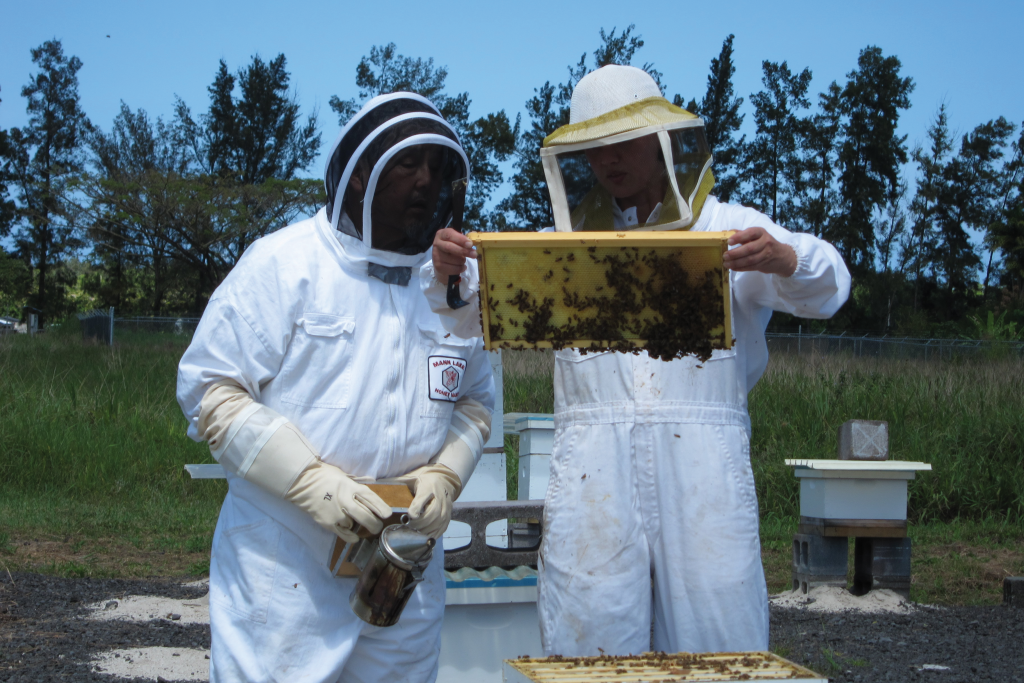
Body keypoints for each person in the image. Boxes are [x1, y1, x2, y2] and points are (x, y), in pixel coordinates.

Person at [423, 65, 850, 656]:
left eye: (622, 144)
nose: (608, 162)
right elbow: (466, 312)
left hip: (704, 465)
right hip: (592, 464)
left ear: (660, 143)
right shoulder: (565, 250)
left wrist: (785, 258)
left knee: (718, 639)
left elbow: (830, 288)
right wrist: (449, 271)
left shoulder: (728, 229)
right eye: (594, 151)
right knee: (588, 635)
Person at [177, 92, 494, 682]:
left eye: (437, 167)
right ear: (358, 178)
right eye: (408, 164)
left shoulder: (456, 289)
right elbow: (210, 391)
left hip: (403, 569)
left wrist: (446, 475)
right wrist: (310, 483)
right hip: (287, 567)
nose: (425, 181)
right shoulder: (284, 264)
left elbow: (477, 401)